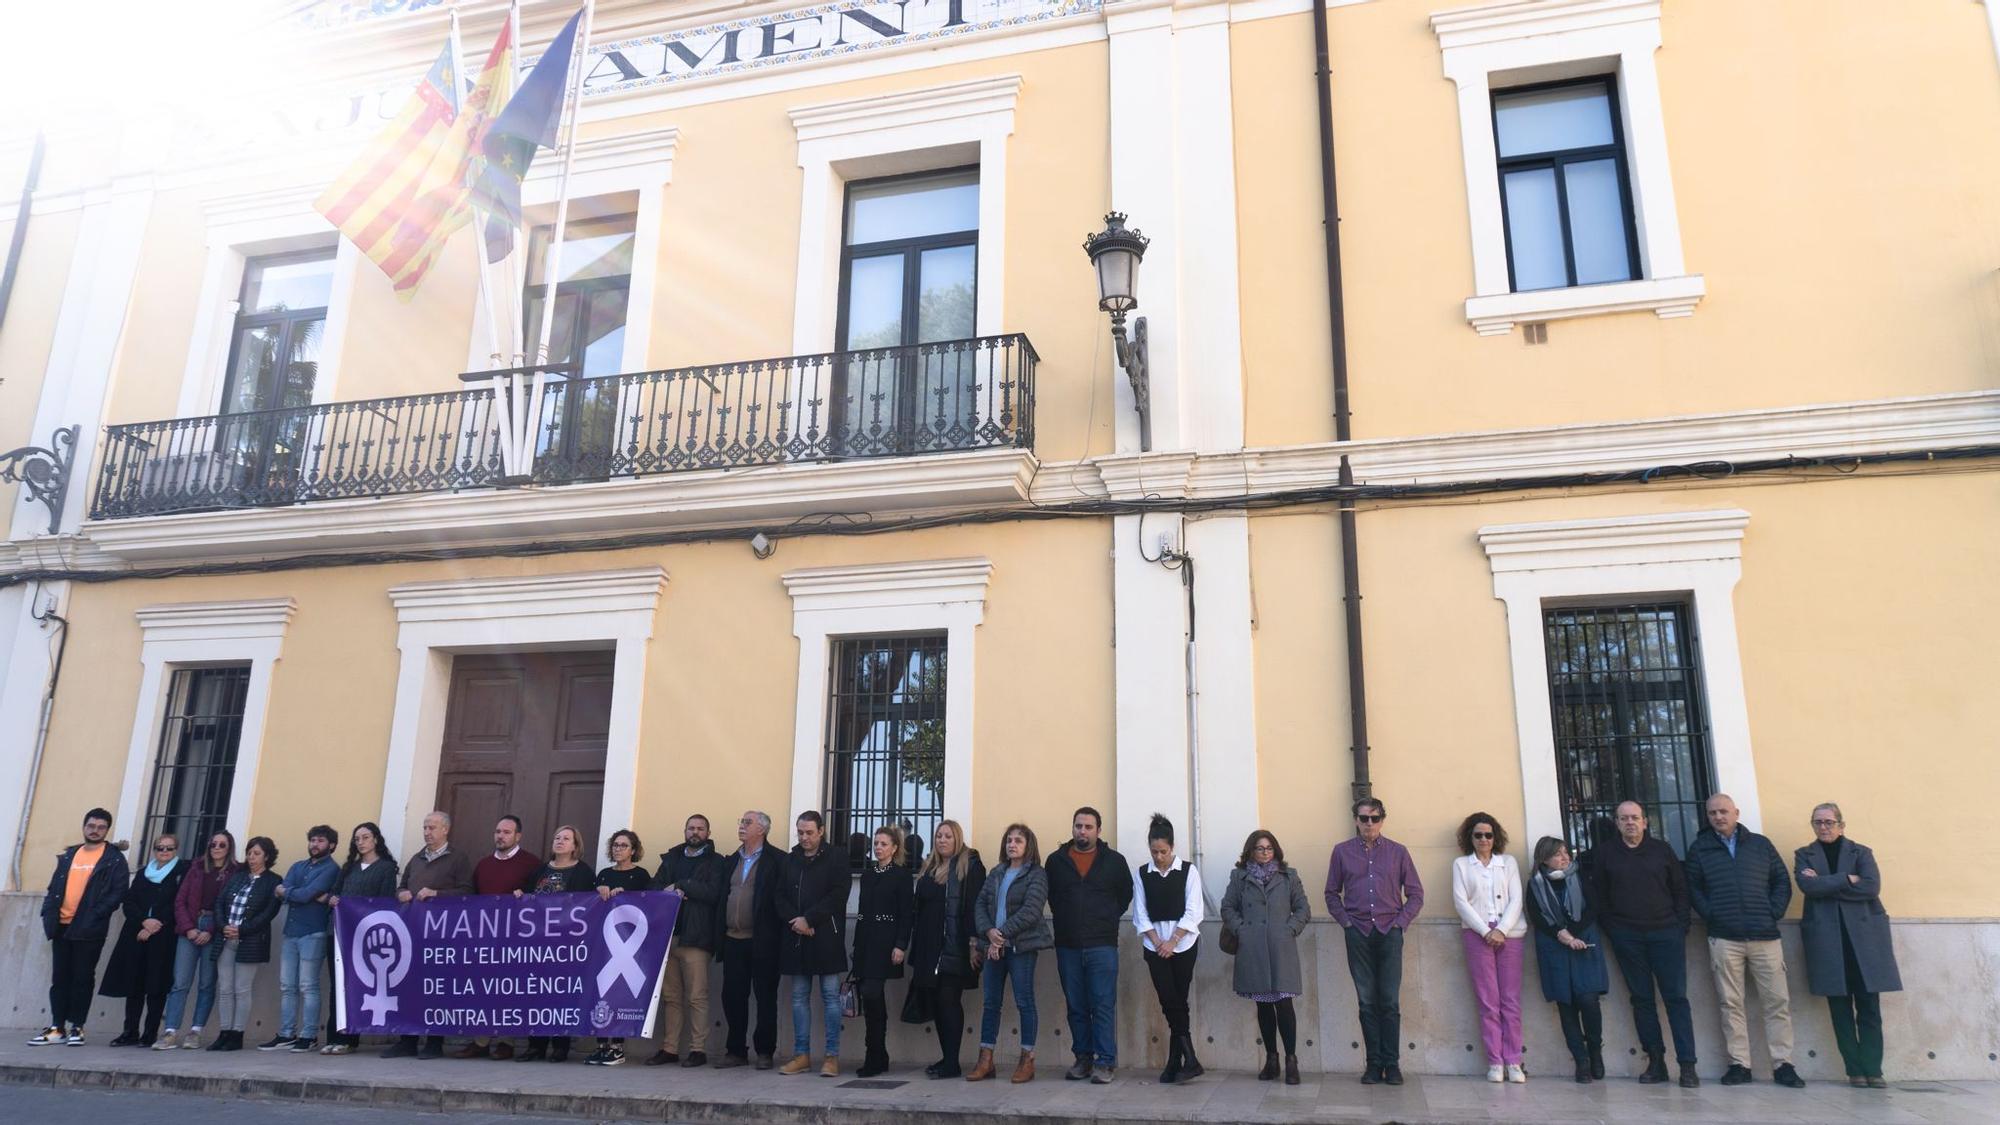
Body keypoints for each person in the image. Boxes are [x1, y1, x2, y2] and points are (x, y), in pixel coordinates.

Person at [1685, 793, 1804, 1089]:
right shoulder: (1701, 849)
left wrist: (1772, 912)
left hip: (1765, 936)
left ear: (1736, 812)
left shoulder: (1760, 845)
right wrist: (1713, 915)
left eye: (1723, 811)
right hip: (1724, 938)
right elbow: (1694, 888)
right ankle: (1739, 1064)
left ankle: (1783, 1064)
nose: (1718, 817)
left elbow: (1781, 881)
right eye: (1712, 813)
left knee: (1777, 1001)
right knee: (1730, 1003)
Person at [1795, 802, 1901, 1089]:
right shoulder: (1804, 855)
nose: (1823, 827)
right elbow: (1809, 888)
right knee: (1839, 1010)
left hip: (1864, 943)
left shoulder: (1861, 852)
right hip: (1829, 944)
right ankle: (1854, 1070)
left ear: (1841, 824)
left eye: (1829, 822)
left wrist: (1828, 883)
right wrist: (1846, 880)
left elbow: (1870, 887)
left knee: (1869, 1008)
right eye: (1818, 822)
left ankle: (1874, 1070)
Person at [1591, 800, 1697, 1087]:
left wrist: (1680, 927)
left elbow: (1680, 889)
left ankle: (1687, 1065)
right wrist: (1615, 931)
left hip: (1666, 934)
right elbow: (1599, 896)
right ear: (1616, 822)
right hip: (1628, 938)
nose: (1630, 823)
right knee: (1642, 1000)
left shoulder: (1662, 850)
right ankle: (1656, 1062)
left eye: (1635, 818)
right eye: (1623, 818)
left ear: (1645, 822)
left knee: (1676, 999)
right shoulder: (1605, 855)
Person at [1324, 796, 1423, 1085]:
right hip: (1358, 933)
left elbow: (1416, 894)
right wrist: (1346, 923)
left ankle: (1392, 1065)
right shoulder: (1341, 852)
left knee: (1389, 1001)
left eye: (1375, 818)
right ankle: (1372, 1064)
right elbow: (1331, 893)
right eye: (1364, 818)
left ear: (1382, 820)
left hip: (1389, 933)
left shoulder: (1398, 852)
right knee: (1367, 1002)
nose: (1369, 823)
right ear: (1356, 820)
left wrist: (1400, 924)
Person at [1045, 805, 1132, 1084]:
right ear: (1072, 828)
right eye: (1078, 826)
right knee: (1076, 1005)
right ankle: (1083, 1059)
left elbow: (1125, 895)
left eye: (1088, 827)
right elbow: (1053, 897)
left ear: (1098, 830)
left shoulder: (1114, 861)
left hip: (1102, 945)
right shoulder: (1056, 861)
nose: (1082, 831)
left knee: (1103, 1004)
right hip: (1067, 944)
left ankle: (1105, 1062)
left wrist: (1105, 919)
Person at [32, 808, 131, 1047]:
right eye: (91, 826)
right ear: (84, 826)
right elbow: (53, 887)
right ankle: (57, 1027)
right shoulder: (69, 855)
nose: (95, 831)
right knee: (60, 978)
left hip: (89, 929)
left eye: (100, 827)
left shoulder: (114, 858)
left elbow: (118, 893)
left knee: (82, 978)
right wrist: (48, 911)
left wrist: (95, 915)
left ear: (107, 830)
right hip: (61, 926)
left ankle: (77, 1026)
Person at [382, 810, 474, 1059]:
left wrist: (437, 894)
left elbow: (467, 892)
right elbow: (402, 885)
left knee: (437, 989)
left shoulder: (458, 859)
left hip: (442, 934)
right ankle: (407, 1039)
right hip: (413, 931)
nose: (427, 832)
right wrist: (401, 893)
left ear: (446, 829)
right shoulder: (417, 858)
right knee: (410, 986)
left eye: (432, 827)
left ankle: (434, 1041)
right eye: (424, 827)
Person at [1220, 829, 1309, 1086]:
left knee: (1284, 1005)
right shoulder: (1239, 877)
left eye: (1269, 848)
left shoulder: (1288, 876)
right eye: (1260, 848)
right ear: (1250, 851)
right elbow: (1228, 907)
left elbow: (1303, 907)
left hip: (1281, 949)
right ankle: (1272, 1059)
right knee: (1263, 1006)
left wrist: (1290, 929)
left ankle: (1291, 1060)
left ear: (1276, 850)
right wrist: (1242, 930)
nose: (1265, 853)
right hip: (1254, 949)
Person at [968, 823, 1051, 1084]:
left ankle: (1027, 1059)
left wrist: (1000, 934)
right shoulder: (997, 872)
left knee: (1024, 1002)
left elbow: (1031, 910)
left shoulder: (1036, 874)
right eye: (1009, 840)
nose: (1012, 844)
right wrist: (988, 931)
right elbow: (980, 903)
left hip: (1020, 948)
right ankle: (986, 1058)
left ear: (1029, 846)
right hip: (993, 948)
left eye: (1018, 841)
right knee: (991, 1003)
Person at [1524, 837, 1609, 1084]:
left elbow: (1593, 907)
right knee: (1566, 1004)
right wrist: (1561, 934)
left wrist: (1574, 933)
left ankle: (1595, 1049)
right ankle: (1581, 1061)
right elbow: (1537, 915)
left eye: (1565, 853)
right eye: (1558, 854)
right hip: (1554, 946)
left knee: (1589, 999)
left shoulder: (1580, 877)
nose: (1565, 858)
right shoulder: (1536, 884)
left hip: (1584, 942)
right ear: (1544, 858)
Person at [456, 814, 541, 1060]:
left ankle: (506, 1041)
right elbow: (471, 898)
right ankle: (480, 1040)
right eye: (497, 831)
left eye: (506, 832)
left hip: (516, 937)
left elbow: (539, 898)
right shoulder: (483, 865)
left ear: (518, 836)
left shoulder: (531, 864)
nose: (500, 836)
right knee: (483, 988)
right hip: (485, 936)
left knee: (509, 989)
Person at [1450, 812, 1527, 1083]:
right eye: (1478, 835)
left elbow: (1517, 898)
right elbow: (1461, 902)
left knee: (1510, 1001)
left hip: (1510, 935)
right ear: (1470, 838)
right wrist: (1486, 931)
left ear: (1496, 837)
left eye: (1488, 834)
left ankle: (1514, 1060)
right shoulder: (1462, 865)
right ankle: (1495, 1061)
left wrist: (1502, 930)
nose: (1484, 839)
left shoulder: (1508, 863)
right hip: (1477, 934)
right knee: (1488, 1001)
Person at [647, 813, 725, 1068]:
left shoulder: (716, 862)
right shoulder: (671, 858)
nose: (695, 832)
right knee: (671, 997)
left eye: (700, 828)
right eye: (691, 828)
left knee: (697, 997)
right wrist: (671, 891)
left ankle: (698, 1049)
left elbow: (714, 893)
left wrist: (683, 886)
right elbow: (655, 888)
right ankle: (669, 1049)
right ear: (684, 831)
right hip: (668, 936)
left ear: (708, 833)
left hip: (697, 938)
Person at [909, 819, 985, 1078]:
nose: (942, 840)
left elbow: (977, 906)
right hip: (929, 949)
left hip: (956, 947)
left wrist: (976, 943)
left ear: (958, 839)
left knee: (948, 1001)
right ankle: (947, 1059)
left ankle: (952, 1062)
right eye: (939, 836)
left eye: (948, 836)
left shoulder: (969, 866)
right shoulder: (930, 868)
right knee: (939, 1004)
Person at [513, 825, 597, 1062]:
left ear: (575, 845)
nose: (560, 841)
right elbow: (529, 902)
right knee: (536, 994)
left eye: (566, 838)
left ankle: (561, 1045)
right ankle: (536, 1045)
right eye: (557, 837)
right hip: (538, 943)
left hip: (566, 944)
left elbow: (586, 907)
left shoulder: (583, 873)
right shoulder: (539, 871)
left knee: (561, 993)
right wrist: (521, 896)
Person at [1131, 813, 1204, 1085]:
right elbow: (1140, 912)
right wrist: (1157, 941)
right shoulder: (1142, 873)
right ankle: (1190, 1059)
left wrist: (1173, 941)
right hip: (1154, 945)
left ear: (1172, 848)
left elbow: (1194, 910)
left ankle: (1175, 1063)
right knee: (1168, 1000)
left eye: (1163, 851)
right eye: (1154, 851)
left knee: (1178, 1000)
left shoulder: (1188, 871)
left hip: (1184, 944)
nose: (1159, 856)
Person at [776, 811, 848, 1077]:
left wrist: (810, 919)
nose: (804, 837)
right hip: (796, 937)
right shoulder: (790, 859)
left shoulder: (837, 857)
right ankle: (801, 1054)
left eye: (809, 832)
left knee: (830, 997)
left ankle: (831, 1056)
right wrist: (795, 921)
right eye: (800, 832)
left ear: (821, 831)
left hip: (826, 935)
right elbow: (779, 895)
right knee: (798, 998)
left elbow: (839, 894)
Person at [101, 832, 187, 1047]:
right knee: (134, 984)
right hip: (136, 933)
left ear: (176, 850)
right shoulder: (143, 873)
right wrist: (144, 922)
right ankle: (129, 1031)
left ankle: (149, 1033)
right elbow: (129, 901)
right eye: (160, 848)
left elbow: (178, 902)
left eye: (169, 848)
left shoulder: (181, 872)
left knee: (156, 986)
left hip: (163, 935)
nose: (164, 852)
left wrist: (155, 924)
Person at [262, 824, 341, 1053]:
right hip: (291, 932)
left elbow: (300, 893)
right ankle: (286, 1033)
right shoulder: (298, 866)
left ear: (332, 845)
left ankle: (309, 1035)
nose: (315, 845)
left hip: (313, 932)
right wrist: (298, 893)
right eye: (312, 840)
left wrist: (294, 892)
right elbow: (291, 892)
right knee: (287, 986)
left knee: (308, 985)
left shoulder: (331, 869)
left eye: (320, 841)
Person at [156, 830, 238, 1050]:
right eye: (213, 844)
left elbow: (231, 905)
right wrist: (189, 928)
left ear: (229, 848)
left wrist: (211, 930)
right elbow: (180, 901)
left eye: (222, 844)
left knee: (206, 983)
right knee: (180, 982)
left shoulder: (235, 872)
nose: (217, 848)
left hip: (215, 930)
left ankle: (195, 1031)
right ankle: (171, 1031)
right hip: (190, 928)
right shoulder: (196, 868)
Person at [322, 822, 397, 1055]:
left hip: (364, 937)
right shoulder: (349, 868)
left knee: (355, 986)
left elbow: (385, 901)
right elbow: (334, 893)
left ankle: (349, 1038)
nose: (361, 842)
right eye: (357, 839)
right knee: (337, 986)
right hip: (337, 932)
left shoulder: (385, 868)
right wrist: (332, 900)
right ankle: (334, 1036)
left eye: (365, 837)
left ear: (376, 839)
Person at [715, 811, 782, 1071]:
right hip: (733, 939)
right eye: (741, 821)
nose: (741, 826)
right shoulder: (731, 860)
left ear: (762, 830)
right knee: (732, 996)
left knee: (765, 997)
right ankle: (735, 1050)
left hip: (763, 941)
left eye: (747, 822)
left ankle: (765, 1051)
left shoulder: (776, 860)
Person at [849, 826, 915, 1077]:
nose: (878, 847)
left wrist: (901, 944)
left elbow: (906, 914)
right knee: (870, 999)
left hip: (886, 944)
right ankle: (878, 1054)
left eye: (884, 844)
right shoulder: (867, 875)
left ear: (895, 848)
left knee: (872, 993)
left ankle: (874, 1055)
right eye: (876, 843)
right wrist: (856, 947)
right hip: (865, 944)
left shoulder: (901, 876)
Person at [207, 836, 281, 1052]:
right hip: (226, 937)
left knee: (242, 988)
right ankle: (224, 1032)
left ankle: (237, 1034)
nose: (251, 857)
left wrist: (242, 929)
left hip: (250, 940)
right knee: (225, 988)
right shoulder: (237, 877)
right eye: (249, 853)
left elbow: (269, 913)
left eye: (256, 853)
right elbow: (220, 902)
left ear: (267, 856)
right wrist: (223, 926)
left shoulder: (273, 881)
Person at [589, 829, 651, 1065]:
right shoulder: (604, 874)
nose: (618, 849)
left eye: (624, 845)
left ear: (633, 850)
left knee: (621, 992)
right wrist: (599, 892)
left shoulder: (641, 875)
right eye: (615, 845)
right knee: (601, 991)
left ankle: (617, 1046)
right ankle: (602, 1044)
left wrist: (627, 896)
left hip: (630, 947)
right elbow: (590, 904)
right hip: (603, 944)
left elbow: (648, 901)